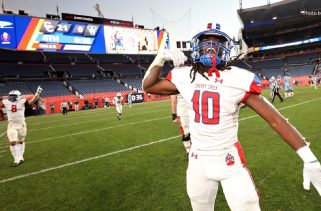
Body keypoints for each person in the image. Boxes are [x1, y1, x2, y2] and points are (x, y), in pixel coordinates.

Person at [142, 28, 321, 210]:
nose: (211, 48)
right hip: (198, 162)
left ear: (225, 49)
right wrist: (160, 58)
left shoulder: (237, 78)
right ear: (198, 49)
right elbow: (149, 86)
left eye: (216, 44)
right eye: (206, 43)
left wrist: (310, 159)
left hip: (229, 162)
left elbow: (275, 119)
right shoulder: (186, 75)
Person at [0, 86, 43, 166]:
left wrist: (37, 94)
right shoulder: (6, 102)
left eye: (13, 97)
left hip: (21, 125)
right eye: (10, 96)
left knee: (20, 141)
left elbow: (31, 102)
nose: (11, 98)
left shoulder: (23, 101)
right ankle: (16, 159)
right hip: (11, 125)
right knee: (13, 142)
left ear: (18, 97)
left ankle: (20, 157)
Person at [171, 94, 191, 158]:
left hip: (182, 111)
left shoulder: (175, 84)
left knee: (185, 132)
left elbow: (173, 100)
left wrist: (174, 116)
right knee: (194, 130)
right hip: (192, 110)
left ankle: (188, 151)